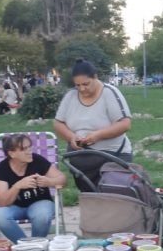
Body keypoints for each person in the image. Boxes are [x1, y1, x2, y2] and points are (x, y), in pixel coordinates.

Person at [53, 59, 134, 191]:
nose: (82, 89)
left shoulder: (109, 93)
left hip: (112, 158)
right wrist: (71, 137)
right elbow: (58, 123)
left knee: (113, 199)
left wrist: (98, 135)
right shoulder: (70, 96)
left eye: (86, 84)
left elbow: (125, 124)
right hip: (81, 162)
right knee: (92, 202)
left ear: (95, 77)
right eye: (77, 85)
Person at [0, 134, 67, 243]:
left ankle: (34, 245)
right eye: (23, 149)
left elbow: (62, 179)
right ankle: (27, 246)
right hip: (14, 207)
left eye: (29, 147)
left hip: (40, 203)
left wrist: (49, 182)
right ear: (11, 153)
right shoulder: (2, 169)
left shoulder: (37, 160)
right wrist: (18, 186)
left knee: (42, 215)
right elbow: (2, 202)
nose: (29, 151)